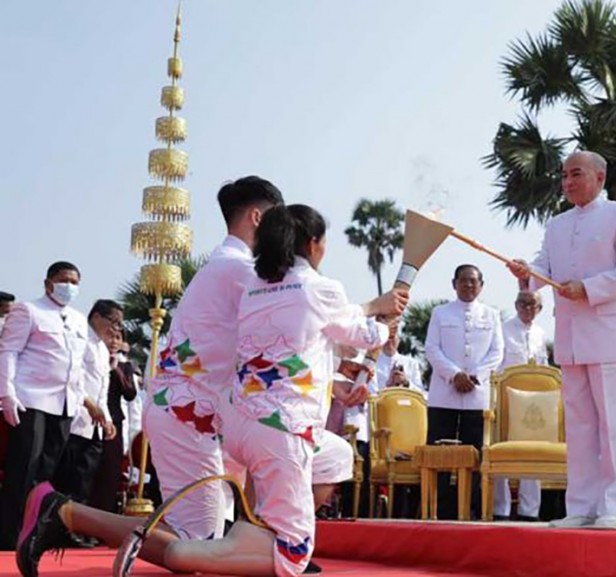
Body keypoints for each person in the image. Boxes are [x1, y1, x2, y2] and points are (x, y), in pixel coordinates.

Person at [17, 204, 407, 577]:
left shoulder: (257, 283)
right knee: (233, 548)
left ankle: (254, 536)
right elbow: (356, 328)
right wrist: (384, 313)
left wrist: (335, 379)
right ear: (306, 241)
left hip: (236, 420)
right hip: (202, 416)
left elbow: (284, 341)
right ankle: (75, 516)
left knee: (334, 457)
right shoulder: (243, 270)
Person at [508, 150, 616, 528]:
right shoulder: (556, 224)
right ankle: (581, 506)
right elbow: (543, 268)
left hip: (609, 333)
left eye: (576, 174)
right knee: (580, 425)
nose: (567, 182)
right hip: (571, 336)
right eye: (564, 175)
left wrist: (587, 288)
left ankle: (614, 507)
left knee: (614, 424)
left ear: (599, 178)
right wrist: (527, 274)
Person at [143, 176, 284, 541]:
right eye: (279, 220)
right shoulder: (238, 270)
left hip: (201, 415)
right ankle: (66, 513)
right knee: (195, 539)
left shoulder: (228, 266)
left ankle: (267, 546)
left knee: (202, 537)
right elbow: (295, 311)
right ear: (257, 217)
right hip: (184, 414)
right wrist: (367, 315)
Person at [0, 262, 89, 549]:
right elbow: (8, 352)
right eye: (63, 280)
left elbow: (78, 365)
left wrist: (81, 402)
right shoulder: (28, 311)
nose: (69, 286)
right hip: (31, 399)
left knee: (46, 474)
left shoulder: (77, 319)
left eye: (75, 281)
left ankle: (36, 533)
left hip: (65, 405)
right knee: (24, 469)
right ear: (48, 283)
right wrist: (6, 394)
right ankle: (10, 535)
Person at [424, 264, 503, 520]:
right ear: (454, 283)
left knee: (476, 455)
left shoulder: (491, 315)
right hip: (444, 394)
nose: (468, 285)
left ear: (481, 285)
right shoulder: (440, 313)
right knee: (440, 454)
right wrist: (454, 374)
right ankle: (442, 511)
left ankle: (473, 509)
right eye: (463, 281)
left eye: (473, 281)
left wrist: (474, 376)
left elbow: (496, 352)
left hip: (476, 396)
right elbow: (432, 348)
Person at [53, 300, 122, 506]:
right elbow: (74, 378)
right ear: (96, 317)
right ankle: (54, 527)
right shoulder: (80, 338)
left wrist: (107, 419)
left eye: (120, 325)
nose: (116, 329)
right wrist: (90, 406)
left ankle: (75, 528)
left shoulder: (102, 348)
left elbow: (103, 387)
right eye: (114, 322)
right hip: (75, 420)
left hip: (95, 427)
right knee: (65, 478)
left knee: (84, 480)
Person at [493, 290, 547, 521]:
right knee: (502, 454)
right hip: (506, 398)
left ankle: (529, 510)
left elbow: (544, 365)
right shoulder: (503, 329)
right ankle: (500, 508)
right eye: (523, 304)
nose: (527, 309)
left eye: (533, 305)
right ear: (516, 305)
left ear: (539, 309)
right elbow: (496, 366)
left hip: (534, 401)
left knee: (532, 453)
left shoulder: (541, 333)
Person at [88, 331, 138, 513]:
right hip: (90, 420)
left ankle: (102, 521)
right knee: (88, 471)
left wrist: (116, 369)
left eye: (118, 338)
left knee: (109, 474)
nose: (114, 341)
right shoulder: (89, 357)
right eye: (111, 336)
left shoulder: (125, 367)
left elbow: (130, 394)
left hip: (113, 425)